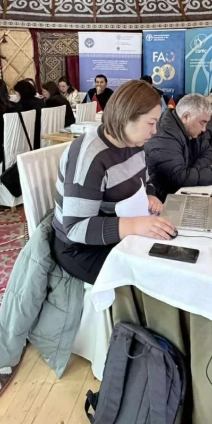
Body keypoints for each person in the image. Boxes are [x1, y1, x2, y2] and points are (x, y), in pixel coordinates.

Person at [52, 80, 176, 284]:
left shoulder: (134, 142)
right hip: (81, 247)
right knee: (152, 275)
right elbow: (75, 228)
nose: (155, 131)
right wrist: (134, 225)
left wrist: (150, 194)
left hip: (118, 226)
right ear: (126, 117)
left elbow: (144, 181)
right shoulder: (91, 156)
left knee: (169, 256)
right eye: (151, 123)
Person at [145, 93, 212, 200]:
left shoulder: (190, 129)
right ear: (186, 117)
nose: (204, 129)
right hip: (165, 199)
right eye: (202, 123)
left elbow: (208, 151)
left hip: (181, 191)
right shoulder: (164, 137)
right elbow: (180, 177)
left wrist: (192, 172)